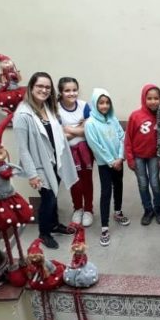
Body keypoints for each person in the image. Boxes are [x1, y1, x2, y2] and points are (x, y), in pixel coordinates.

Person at [13, 72, 78, 249]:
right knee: (48, 199)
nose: (44, 90)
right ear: (31, 87)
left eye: (47, 87)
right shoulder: (22, 115)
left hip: (55, 161)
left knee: (54, 195)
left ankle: (54, 224)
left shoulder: (48, 107)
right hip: (40, 165)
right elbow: (23, 149)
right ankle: (44, 232)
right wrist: (32, 175)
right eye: (40, 86)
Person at [85, 88, 130, 246]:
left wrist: (120, 157)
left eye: (107, 103)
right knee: (106, 192)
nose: (104, 106)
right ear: (95, 104)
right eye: (101, 103)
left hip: (118, 161)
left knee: (119, 186)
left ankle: (118, 212)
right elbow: (95, 146)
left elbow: (122, 137)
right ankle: (104, 227)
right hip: (106, 164)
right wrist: (111, 161)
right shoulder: (90, 123)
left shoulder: (113, 119)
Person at [126, 83, 160, 226]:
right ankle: (148, 210)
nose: (153, 101)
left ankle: (158, 209)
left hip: (154, 156)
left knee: (155, 183)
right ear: (144, 98)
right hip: (138, 157)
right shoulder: (135, 116)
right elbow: (128, 138)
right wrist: (130, 158)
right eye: (149, 98)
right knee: (143, 184)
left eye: (156, 98)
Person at [57, 77, 94, 227]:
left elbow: (90, 130)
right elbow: (59, 135)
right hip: (67, 151)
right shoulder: (56, 109)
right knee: (74, 181)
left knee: (87, 180)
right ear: (61, 92)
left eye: (74, 90)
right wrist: (79, 129)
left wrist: (68, 129)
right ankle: (78, 208)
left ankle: (89, 210)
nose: (72, 93)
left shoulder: (84, 106)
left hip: (85, 151)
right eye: (67, 90)